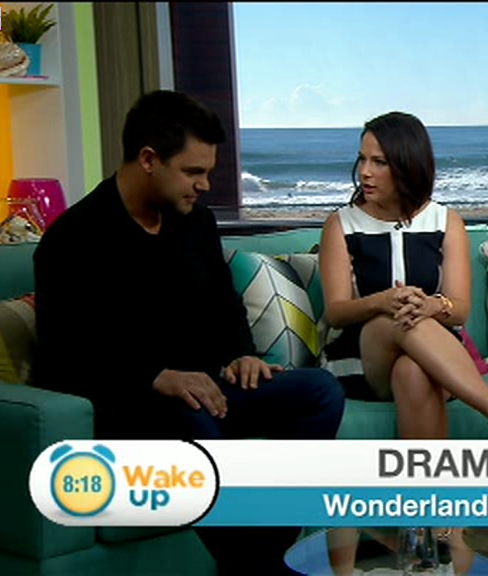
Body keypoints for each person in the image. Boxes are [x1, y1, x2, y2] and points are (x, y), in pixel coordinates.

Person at [33, 90, 346, 576]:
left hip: (208, 390)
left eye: (208, 172)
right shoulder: (73, 240)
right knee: (190, 416)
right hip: (131, 404)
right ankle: (261, 566)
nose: (205, 185)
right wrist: (156, 377)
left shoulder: (194, 221)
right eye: (193, 172)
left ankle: (258, 560)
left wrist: (242, 354)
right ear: (148, 160)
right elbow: (65, 357)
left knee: (319, 392)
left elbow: (225, 304)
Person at [317, 110, 488, 440]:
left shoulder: (445, 221)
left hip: (437, 357)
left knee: (412, 371)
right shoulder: (341, 224)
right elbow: (336, 312)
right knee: (396, 317)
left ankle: (430, 476)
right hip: (362, 357)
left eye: (379, 162)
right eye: (362, 159)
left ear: (407, 164)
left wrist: (432, 306)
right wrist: (383, 301)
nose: (365, 172)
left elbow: (460, 309)